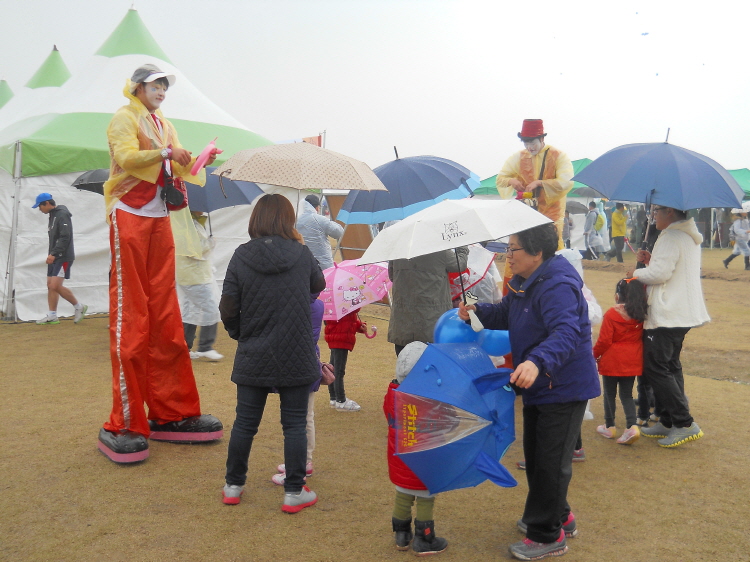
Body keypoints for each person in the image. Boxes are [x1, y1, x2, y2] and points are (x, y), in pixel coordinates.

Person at [98, 63, 222, 463]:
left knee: (166, 317)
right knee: (131, 316)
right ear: (137, 88)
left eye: (165, 86)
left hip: (159, 219)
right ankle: (124, 422)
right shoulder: (124, 118)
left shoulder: (164, 124)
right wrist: (167, 152)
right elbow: (126, 157)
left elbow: (180, 168)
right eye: (155, 85)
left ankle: (173, 412)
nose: (162, 91)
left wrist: (200, 158)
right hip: (130, 214)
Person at [458, 223, 600, 561]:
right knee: (537, 459)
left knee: (550, 463)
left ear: (537, 252)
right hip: (539, 384)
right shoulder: (526, 281)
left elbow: (566, 332)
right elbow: (508, 312)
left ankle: (547, 535)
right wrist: (477, 312)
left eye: (513, 249)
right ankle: (559, 515)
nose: (508, 256)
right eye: (507, 249)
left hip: (563, 386)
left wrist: (537, 361)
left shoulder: (557, 285)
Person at [220, 194, 326, 513]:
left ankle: (233, 485)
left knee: (245, 424)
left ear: (256, 219)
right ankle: (294, 491)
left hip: (254, 350)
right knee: (294, 424)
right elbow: (318, 284)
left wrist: (240, 333)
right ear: (288, 220)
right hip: (296, 350)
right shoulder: (302, 253)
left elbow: (228, 306)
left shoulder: (241, 255)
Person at [631, 205, 710, 448]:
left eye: (657, 211)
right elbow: (669, 269)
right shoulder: (686, 235)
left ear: (669, 212)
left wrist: (636, 273)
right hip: (681, 313)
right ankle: (668, 420)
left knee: (656, 367)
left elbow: (660, 274)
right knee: (670, 366)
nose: (654, 215)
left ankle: (684, 423)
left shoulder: (671, 236)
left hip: (667, 314)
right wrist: (651, 261)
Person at [384, 341, 448, 555]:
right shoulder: (433, 400)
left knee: (403, 493)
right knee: (425, 497)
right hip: (425, 463)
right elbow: (447, 423)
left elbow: (388, 414)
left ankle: (401, 534)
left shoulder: (392, 395)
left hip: (400, 461)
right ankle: (425, 538)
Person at [495, 119, 574, 251]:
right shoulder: (519, 157)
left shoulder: (558, 156)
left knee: (550, 248)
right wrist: (512, 181)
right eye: (526, 143)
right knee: (525, 248)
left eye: (533, 143)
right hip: (527, 213)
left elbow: (566, 182)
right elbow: (500, 179)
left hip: (552, 214)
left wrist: (540, 183)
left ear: (542, 139)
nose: (530, 147)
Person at [272, 291, 325, 485]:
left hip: (296, 364)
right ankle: (305, 461)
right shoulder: (318, 304)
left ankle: (299, 466)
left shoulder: (295, 305)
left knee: (297, 420)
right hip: (310, 362)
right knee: (307, 416)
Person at [593, 278, 648, 445]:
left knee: (609, 394)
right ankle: (631, 425)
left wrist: (594, 355)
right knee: (627, 394)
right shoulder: (642, 314)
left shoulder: (612, 314)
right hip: (632, 359)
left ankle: (609, 426)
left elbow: (604, 341)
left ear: (619, 295)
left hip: (612, 359)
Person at [388, 247, 468, 356]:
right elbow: (460, 264)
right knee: (432, 362)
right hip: (432, 323)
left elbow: (392, 276)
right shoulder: (440, 250)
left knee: (404, 362)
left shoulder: (400, 250)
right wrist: (462, 247)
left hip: (403, 321)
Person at [172, 209, 224, 362]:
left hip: (191, 275)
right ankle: (205, 347)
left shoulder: (191, 223)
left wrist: (208, 242)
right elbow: (193, 250)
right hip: (193, 276)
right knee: (211, 308)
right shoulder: (187, 225)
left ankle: (184, 348)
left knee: (190, 310)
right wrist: (210, 243)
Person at [32, 193, 87, 325]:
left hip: (63, 256)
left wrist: (54, 253)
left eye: (40, 206)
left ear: (47, 203)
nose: (39, 209)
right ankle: (52, 315)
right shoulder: (52, 215)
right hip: (54, 256)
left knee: (55, 285)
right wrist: (52, 254)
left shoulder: (62, 214)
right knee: (50, 285)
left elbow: (65, 237)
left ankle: (79, 306)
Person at [324, 309, 368, 411]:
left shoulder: (340, 307)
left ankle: (334, 397)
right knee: (338, 371)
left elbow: (348, 320)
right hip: (341, 339)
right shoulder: (345, 306)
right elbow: (349, 316)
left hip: (336, 337)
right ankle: (341, 400)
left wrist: (359, 325)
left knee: (333, 369)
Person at [295, 194, 344, 271]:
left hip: (303, 265)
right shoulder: (320, 219)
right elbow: (338, 232)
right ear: (317, 207)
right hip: (322, 265)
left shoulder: (296, 221)